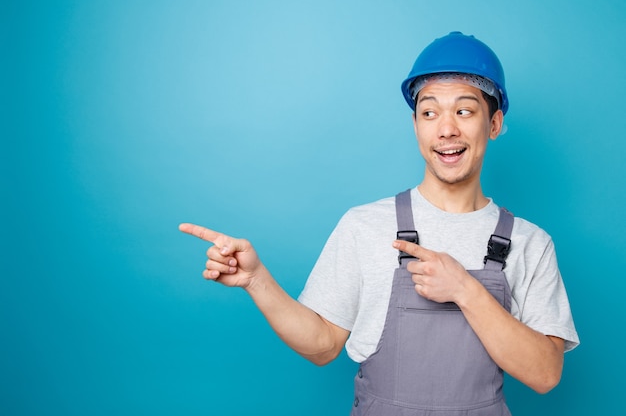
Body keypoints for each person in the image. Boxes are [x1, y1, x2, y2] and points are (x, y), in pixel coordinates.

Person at [179, 31, 579, 415]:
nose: (446, 129)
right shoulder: (365, 225)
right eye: (429, 112)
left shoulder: (529, 243)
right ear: (416, 126)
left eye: (464, 110)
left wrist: (465, 290)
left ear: (493, 124)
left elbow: (545, 374)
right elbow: (322, 346)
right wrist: (256, 280)